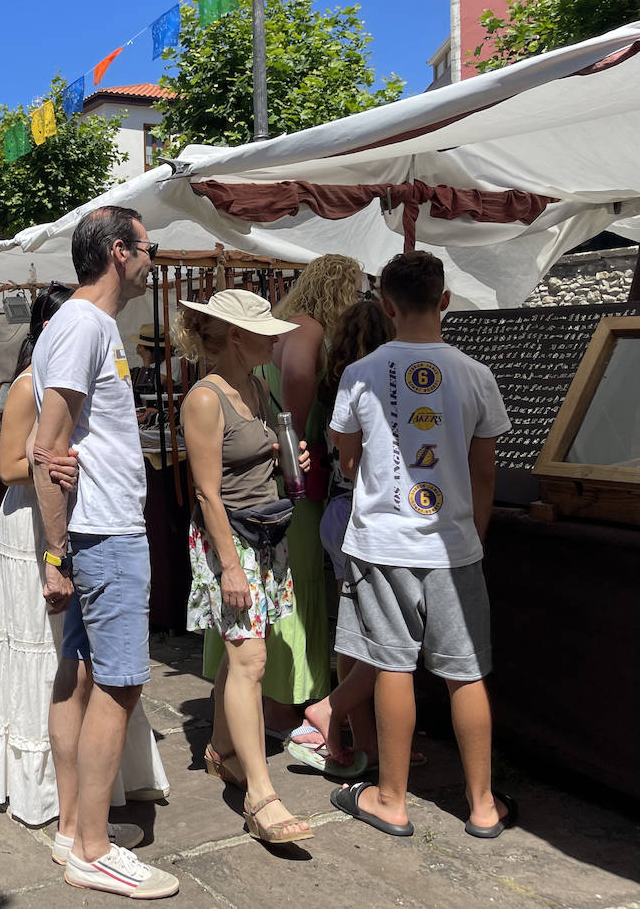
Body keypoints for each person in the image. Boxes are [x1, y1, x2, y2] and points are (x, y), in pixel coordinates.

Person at [327, 251, 515, 839]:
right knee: (466, 674)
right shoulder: (476, 374)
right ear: (446, 300)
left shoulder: (360, 373)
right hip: (453, 543)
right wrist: (474, 532)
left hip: (382, 541)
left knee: (391, 665)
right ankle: (483, 804)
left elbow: (347, 455)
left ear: (385, 305)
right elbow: (486, 474)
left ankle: (391, 798)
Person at [32, 205, 180, 898]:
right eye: (148, 247)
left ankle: (74, 829)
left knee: (85, 672)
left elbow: (66, 440)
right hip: (105, 531)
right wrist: (55, 552)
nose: (153, 258)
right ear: (120, 251)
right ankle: (91, 847)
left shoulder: (85, 325)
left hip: (99, 526)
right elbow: (46, 446)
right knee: (119, 681)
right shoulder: (85, 323)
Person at [0, 283, 171, 836]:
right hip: (33, 521)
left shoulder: (64, 376)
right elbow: (9, 467)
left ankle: (79, 809)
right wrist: (66, 465)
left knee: (73, 663)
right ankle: (62, 806)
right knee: (52, 657)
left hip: (62, 514)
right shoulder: (29, 386)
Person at [205, 254, 362, 740]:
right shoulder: (308, 329)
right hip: (296, 480)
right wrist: (297, 451)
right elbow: (295, 394)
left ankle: (269, 705)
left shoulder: (282, 327)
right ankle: (285, 705)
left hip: (280, 475)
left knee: (280, 586)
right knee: (297, 585)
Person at [179, 289, 313, 846]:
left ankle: (224, 749)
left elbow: (257, 461)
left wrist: (290, 459)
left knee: (243, 655)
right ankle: (260, 794)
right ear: (236, 335)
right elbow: (208, 493)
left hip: (265, 533)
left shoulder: (257, 387)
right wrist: (230, 567)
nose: (276, 337)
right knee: (250, 659)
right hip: (227, 542)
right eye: (265, 330)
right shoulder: (205, 399)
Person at [287, 299, 396, 775]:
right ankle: (345, 720)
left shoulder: (336, 385)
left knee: (350, 635)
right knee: (384, 637)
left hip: (334, 511)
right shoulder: (383, 386)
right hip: (366, 517)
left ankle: (361, 739)